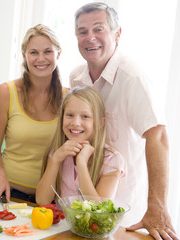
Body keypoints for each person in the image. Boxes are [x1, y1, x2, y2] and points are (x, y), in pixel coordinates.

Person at [70, 2, 178, 239]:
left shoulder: (133, 77)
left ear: (117, 34)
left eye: (99, 29)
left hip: (124, 212)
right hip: (85, 206)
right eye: (82, 31)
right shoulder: (76, 77)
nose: (90, 38)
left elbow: (158, 136)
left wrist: (158, 206)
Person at [0, 24, 65, 203]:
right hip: (10, 195)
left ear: (58, 54)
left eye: (48, 52)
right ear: (24, 56)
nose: (41, 59)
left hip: (53, 200)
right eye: (34, 52)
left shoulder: (69, 99)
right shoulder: (5, 93)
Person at [36, 86, 125, 205]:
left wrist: (81, 164)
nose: (75, 123)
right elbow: (42, 200)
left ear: (100, 123)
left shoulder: (112, 160)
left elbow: (98, 211)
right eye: (70, 115)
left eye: (85, 116)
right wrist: (55, 160)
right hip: (62, 223)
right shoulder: (57, 151)